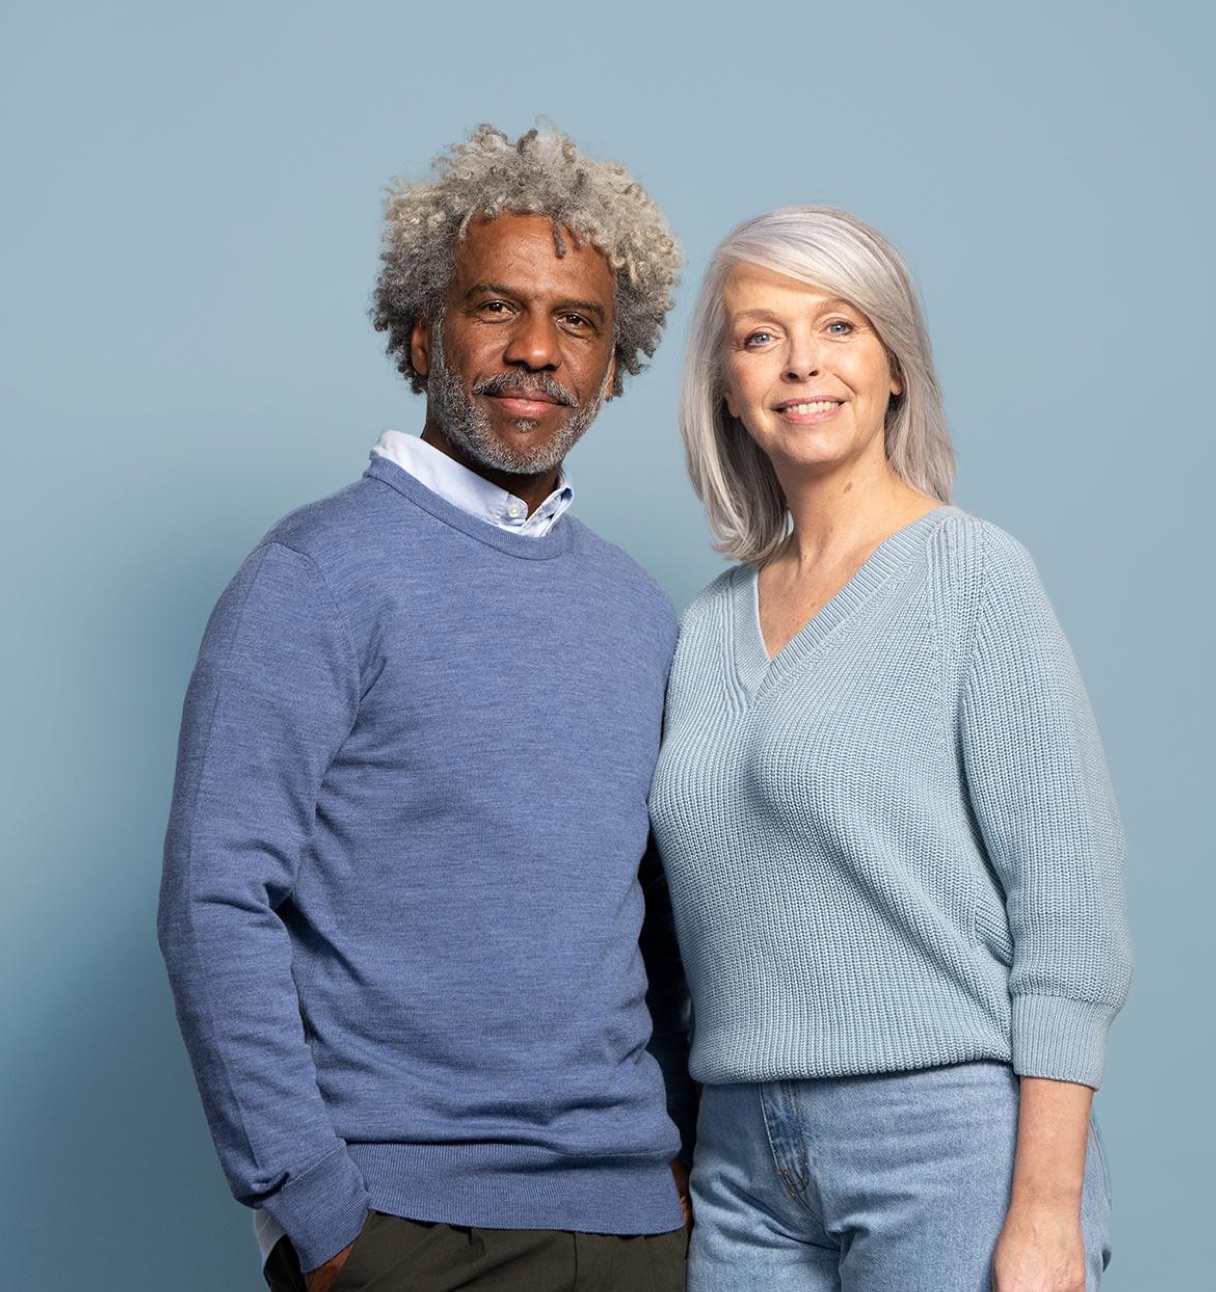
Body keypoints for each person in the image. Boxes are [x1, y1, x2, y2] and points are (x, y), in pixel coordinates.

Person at [159, 124, 692, 1292]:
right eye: (495, 307)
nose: (537, 350)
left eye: (579, 322)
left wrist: (683, 1175)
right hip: (406, 1224)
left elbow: (663, 923)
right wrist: (316, 1212)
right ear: (419, 328)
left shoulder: (642, 610)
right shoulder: (314, 576)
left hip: (640, 1225)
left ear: (615, 360)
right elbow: (214, 900)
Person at [648, 206, 1132, 1292]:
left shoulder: (971, 576)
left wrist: (1045, 1210)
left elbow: (1072, 919)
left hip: (946, 1145)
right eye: (760, 334)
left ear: (895, 365)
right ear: (724, 384)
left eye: (839, 325)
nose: (802, 362)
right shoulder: (702, 624)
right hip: (739, 1159)